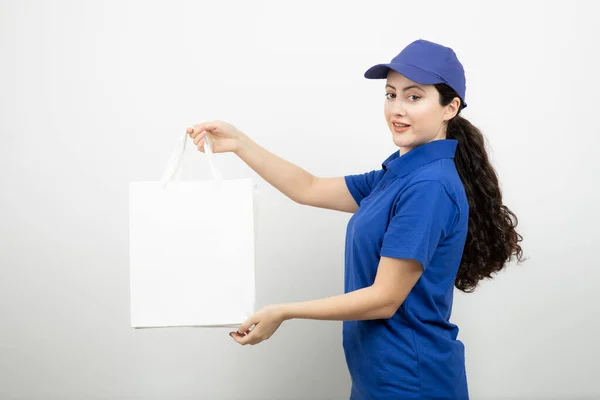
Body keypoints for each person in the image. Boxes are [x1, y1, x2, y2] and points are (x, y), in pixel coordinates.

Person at [186, 39, 524, 400]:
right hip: (378, 378)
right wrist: (239, 142)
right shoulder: (399, 174)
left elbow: (384, 299)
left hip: (412, 382)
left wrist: (284, 311)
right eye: (391, 94)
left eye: (414, 97)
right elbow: (308, 187)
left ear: (449, 107)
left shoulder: (429, 186)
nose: (397, 109)